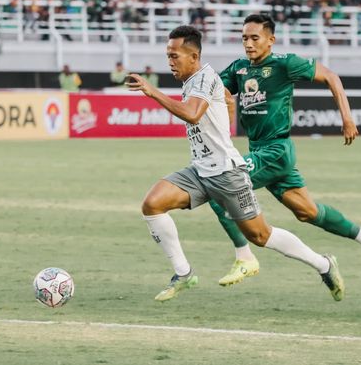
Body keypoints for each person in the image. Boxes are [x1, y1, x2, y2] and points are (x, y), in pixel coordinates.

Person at [126, 25, 344, 302]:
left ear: (193, 57)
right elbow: (224, 102)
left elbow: (193, 114)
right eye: (168, 56)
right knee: (152, 204)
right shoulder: (192, 81)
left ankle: (323, 265)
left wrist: (150, 90)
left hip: (227, 174)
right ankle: (183, 273)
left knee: (261, 236)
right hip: (200, 170)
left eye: (174, 56)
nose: (170, 61)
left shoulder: (204, 78)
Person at [209, 13, 361, 287]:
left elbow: (331, 76)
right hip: (261, 151)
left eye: (254, 38)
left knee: (219, 185)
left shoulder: (285, 64)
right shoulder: (239, 69)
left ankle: (244, 257)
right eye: (244, 38)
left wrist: (347, 117)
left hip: (276, 150)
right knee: (307, 212)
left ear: (271, 40)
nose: (248, 43)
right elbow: (216, 92)